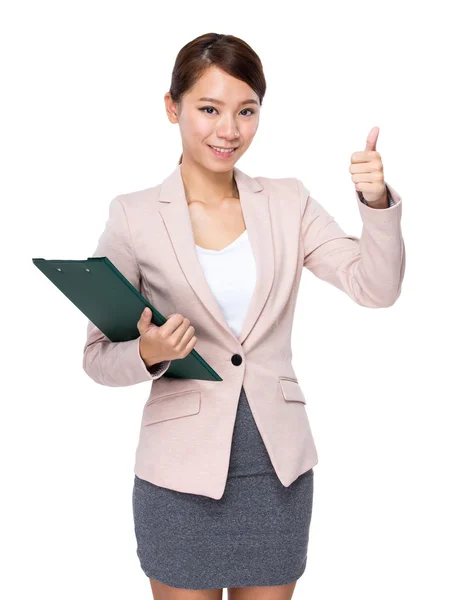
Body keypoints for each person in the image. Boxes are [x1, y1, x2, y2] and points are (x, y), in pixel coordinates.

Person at [83, 32, 405, 600]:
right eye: (209, 109)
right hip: (178, 476)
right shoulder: (132, 216)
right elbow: (97, 358)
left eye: (246, 111)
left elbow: (375, 288)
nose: (228, 130)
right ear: (172, 107)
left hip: (276, 468)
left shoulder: (288, 202)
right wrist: (150, 353)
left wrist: (376, 205)